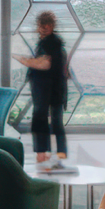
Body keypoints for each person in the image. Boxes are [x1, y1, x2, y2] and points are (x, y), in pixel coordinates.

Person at [16, 11, 69, 168]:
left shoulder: (49, 44)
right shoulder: (54, 43)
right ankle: (60, 155)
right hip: (54, 89)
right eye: (42, 25)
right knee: (55, 121)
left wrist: (25, 61)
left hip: (45, 89)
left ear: (51, 26)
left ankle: (43, 154)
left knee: (42, 119)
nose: (44, 28)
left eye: (47, 25)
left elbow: (44, 64)